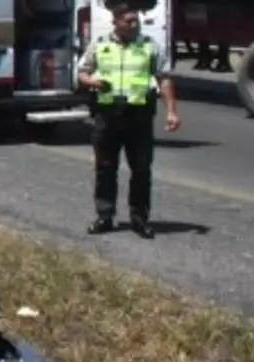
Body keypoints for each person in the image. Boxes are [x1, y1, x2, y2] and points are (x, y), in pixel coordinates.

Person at [76, 3, 180, 239]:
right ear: (116, 22)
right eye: (129, 21)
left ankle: (139, 218)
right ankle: (105, 216)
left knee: (141, 169)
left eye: (136, 21)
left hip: (138, 115)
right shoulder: (100, 45)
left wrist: (172, 111)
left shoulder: (149, 47)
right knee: (105, 168)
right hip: (108, 115)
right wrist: (92, 82)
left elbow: (164, 79)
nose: (134, 25)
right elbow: (82, 72)